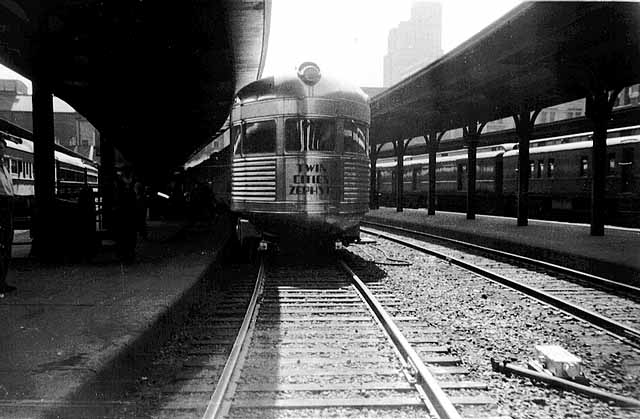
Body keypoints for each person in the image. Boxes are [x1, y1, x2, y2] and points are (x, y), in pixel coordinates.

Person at [113, 165, 137, 263]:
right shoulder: (133, 184)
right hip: (129, 212)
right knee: (130, 234)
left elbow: (117, 197)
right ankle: (129, 252)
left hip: (123, 212)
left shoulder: (119, 183)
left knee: (123, 234)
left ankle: (124, 253)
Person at [0, 138, 15, 293]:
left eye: (3, 148)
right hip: (1, 207)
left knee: (7, 246)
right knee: (1, 246)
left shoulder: (4, 167)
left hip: (8, 207)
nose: (1, 151)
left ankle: (2, 281)